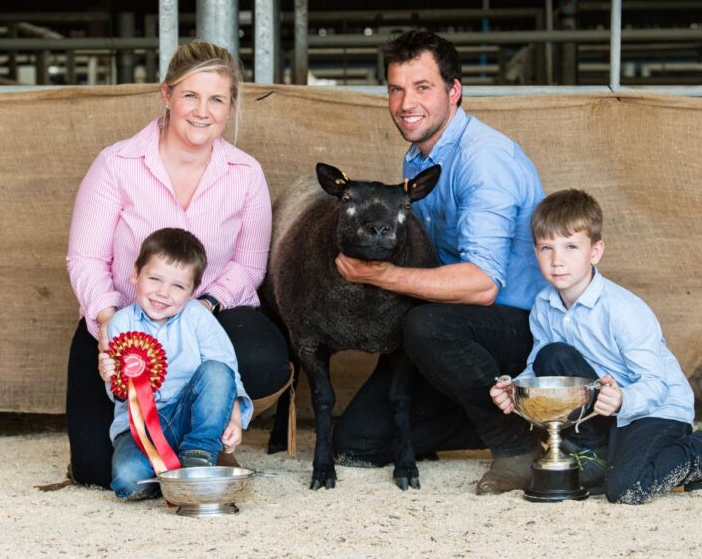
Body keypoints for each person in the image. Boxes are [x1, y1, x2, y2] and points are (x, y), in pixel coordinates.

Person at [332, 29, 548, 494]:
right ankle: (544, 425)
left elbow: (484, 284)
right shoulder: (419, 156)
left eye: (422, 87)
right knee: (357, 443)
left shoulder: (483, 160)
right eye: (396, 89)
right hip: (459, 329)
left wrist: (384, 275)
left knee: (425, 326)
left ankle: (516, 448)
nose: (406, 102)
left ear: (454, 91)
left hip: (520, 328)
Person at [66, 40, 289, 488]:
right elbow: (86, 257)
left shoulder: (246, 173)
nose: (201, 111)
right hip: (124, 321)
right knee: (94, 471)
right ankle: (159, 441)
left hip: (208, 313)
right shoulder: (116, 164)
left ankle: (202, 438)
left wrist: (201, 308)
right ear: (166, 95)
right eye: (190, 95)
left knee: (263, 360)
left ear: (230, 107)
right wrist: (111, 324)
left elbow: (248, 267)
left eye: (216, 99)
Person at [490, 189, 702, 503]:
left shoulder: (623, 310)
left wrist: (623, 400)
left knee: (625, 488)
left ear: (595, 252)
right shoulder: (544, 305)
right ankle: (592, 452)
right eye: (546, 248)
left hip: (655, 408)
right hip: (604, 407)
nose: (557, 261)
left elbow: (656, 385)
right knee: (550, 354)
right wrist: (516, 389)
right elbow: (543, 368)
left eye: (570, 247)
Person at [100, 228, 251, 499]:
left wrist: (235, 417)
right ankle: (183, 474)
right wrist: (109, 375)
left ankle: (198, 454)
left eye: (178, 286)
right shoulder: (120, 323)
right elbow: (120, 393)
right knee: (127, 480)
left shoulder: (199, 318)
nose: (163, 293)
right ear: (135, 274)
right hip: (140, 430)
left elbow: (226, 372)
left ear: (193, 291)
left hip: (189, 419)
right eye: (155, 278)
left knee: (217, 370)